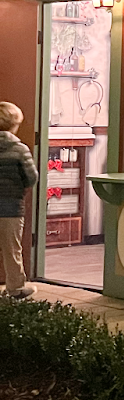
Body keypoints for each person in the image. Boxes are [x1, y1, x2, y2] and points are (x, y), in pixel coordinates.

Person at [0, 101, 37, 299]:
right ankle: (15, 288)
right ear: (15, 124)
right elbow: (31, 177)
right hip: (11, 207)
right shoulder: (19, 149)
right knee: (11, 249)